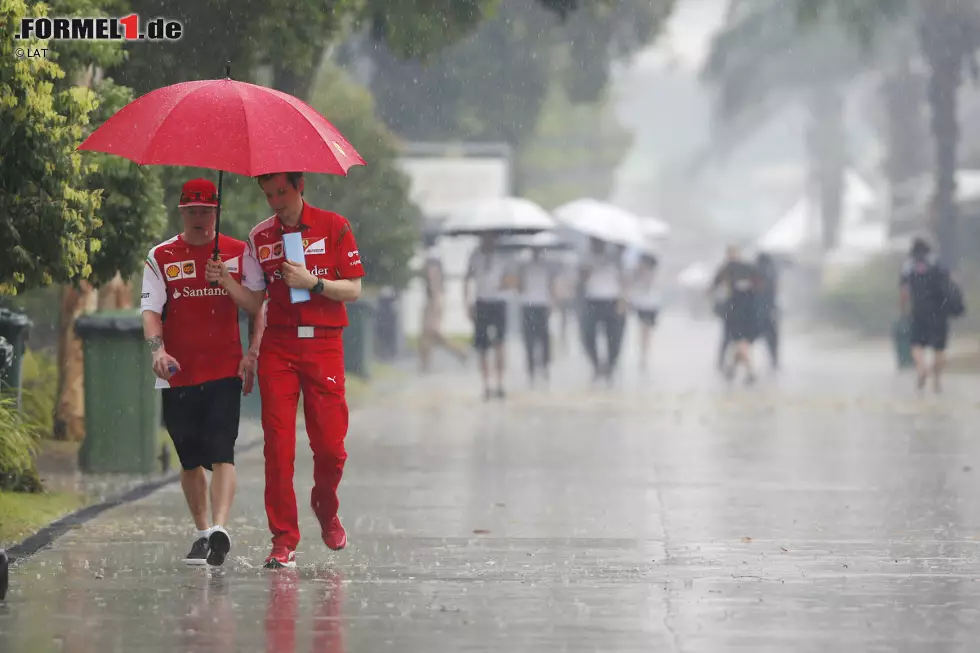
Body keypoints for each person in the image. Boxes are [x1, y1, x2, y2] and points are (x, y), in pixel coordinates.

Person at [207, 171, 364, 568]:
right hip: (280, 345)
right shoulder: (260, 238)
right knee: (277, 447)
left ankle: (325, 506)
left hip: (325, 343)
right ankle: (283, 539)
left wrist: (314, 283)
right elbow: (254, 300)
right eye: (268, 194)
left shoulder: (334, 226)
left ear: (300, 187)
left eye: (282, 192)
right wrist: (225, 280)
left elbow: (354, 288)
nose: (276, 201)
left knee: (331, 447)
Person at [141, 178, 266, 567]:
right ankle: (201, 531)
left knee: (222, 450)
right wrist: (157, 350)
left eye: (206, 211)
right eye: (192, 211)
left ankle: (220, 530)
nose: (199, 218)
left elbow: (256, 307)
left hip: (223, 370)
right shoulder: (160, 256)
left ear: (217, 212)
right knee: (190, 458)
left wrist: (252, 353)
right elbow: (150, 310)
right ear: (181, 212)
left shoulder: (238, 253)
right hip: (178, 373)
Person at [899, 237, 955, 392]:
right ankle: (937, 381)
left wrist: (903, 311)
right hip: (940, 311)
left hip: (919, 311)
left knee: (916, 344)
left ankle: (921, 369)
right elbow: (950, 285)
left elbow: (904, 292)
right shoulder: (938, 263)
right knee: (939, 348)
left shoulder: (909, 266)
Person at [464, 233, 514, 400]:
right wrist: (467, 302)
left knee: (500, 343)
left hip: (499, 301)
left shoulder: (504, 256)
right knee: (482, 346)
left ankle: (500, 383)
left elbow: (512, 279)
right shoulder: (475, 255)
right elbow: (468, 278)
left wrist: (505, 283)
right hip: (481, 301)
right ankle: (486, 384)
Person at [579, 237, 628, 385]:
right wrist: (587, 268)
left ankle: (610, 367)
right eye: (593, 241)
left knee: (614, 337)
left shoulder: (616, 258)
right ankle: (596, 364)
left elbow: (625, 280)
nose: (596, 244)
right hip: (592, 300)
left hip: (613, 300)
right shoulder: (585, 257)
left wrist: (623, 300)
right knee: (587, 335)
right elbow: (579, 279)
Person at [709, 245, 760, 384]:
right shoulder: (748, 268)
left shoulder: (729, 269)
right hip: (747, 311)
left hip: (736, 311)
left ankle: (750, 372)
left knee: (739, 342)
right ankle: (731, 368)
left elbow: (713, 286)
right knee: (739, 342)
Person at [419, 236, 467, 372]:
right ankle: (425, 365)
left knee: (431, 331)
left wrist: (435, 299)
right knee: (427, 333)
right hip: (435, 296)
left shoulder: (431, 256)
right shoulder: (436, 255)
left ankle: (460, 351)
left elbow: (434, 277)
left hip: (434, 297)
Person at [517, 246, 558, 385]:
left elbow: (551, 284)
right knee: (529, 338)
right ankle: (531, 369)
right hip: (527, 304)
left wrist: (553, 301)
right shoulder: (523, 265)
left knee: (543, 337)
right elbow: (519, 285)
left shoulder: (547, 265)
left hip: (542, 304)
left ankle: (545, 366)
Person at [630, 253, 662, 374]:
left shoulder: (652, 275)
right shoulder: (637, 274)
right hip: (641, 305)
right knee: (643, 330)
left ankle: (644, 354)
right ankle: (643, 353)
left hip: (650, 306)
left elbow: (650, 287)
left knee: (646, 330)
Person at [755, 252, 780, 370]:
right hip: (768, 312)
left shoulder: (755, 273)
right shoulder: (772, 274)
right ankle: (774, 361)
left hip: (757, 312)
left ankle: (733, 365)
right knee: (772, 339)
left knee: (743, 340)